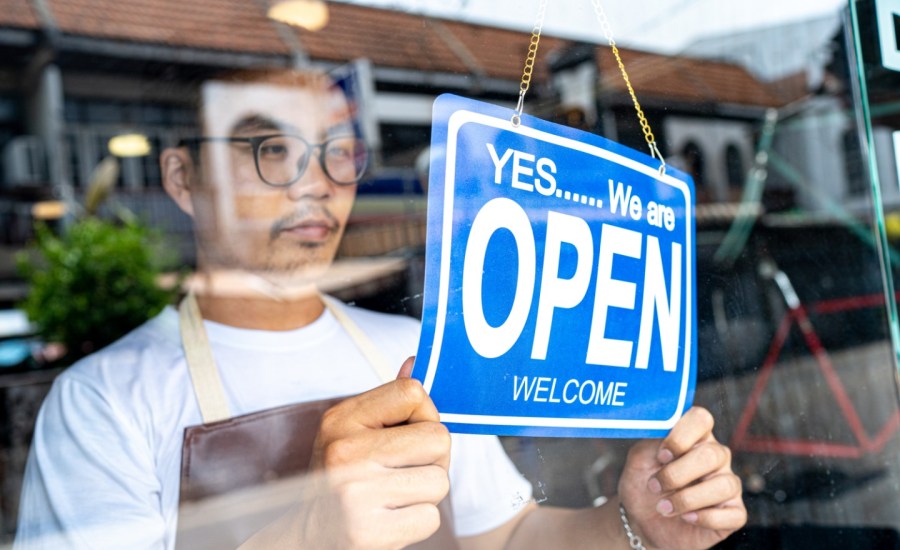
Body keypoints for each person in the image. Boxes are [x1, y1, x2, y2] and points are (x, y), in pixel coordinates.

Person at [15, 69, 746, 549]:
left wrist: (634, 525)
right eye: (272, 148)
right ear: (183, 176)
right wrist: (307, 536)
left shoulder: (417, 346)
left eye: (339, 153)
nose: (316, 186)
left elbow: (508, 536)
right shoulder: (102, 403)